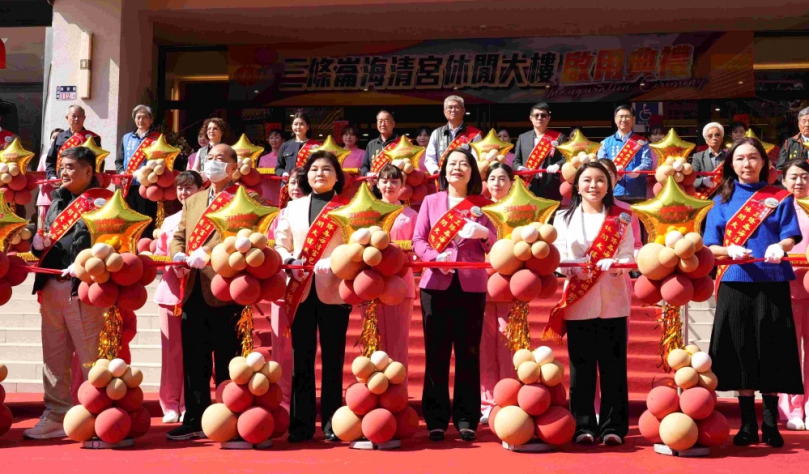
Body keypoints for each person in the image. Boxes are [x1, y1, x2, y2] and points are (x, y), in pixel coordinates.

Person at [704, 137, 803, 448]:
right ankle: (747, 423)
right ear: (731, 164)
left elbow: (790, 235)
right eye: (740, 158)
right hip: (735, 281)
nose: (746, 164)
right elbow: (710, 245)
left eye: (752, 158)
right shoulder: (720, 199)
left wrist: (780, 246)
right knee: (740, 350)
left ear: (763, 162)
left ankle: (771, 424)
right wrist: (728, 250)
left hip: (772, 280)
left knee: (773, 351)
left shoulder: (779, 196)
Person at [545, 161, 634, 446]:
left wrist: (617, 264)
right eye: (587, 180)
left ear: (609, 186)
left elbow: (629, 254)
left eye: (600, 180)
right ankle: (582, 425)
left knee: (613, 368)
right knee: (581, 368)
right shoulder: (562, 217)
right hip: (579, 299)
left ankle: (613, 427)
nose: (593, 185)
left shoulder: (622, 217)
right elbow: (558, 255)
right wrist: (571, 268)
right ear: (577, 186)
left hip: (612, 300)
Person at [413, 146, 496, 442]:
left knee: (468, 353)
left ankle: (466, 418)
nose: (457, 168)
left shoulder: (483, 205)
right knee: (436, 353)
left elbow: (495, 243)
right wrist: (435, 258)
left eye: (463, 164)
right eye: (452, 163)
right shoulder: (431, 201)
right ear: (444, 170)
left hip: (471, 286)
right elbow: (418, 240)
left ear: (472, 172)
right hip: (436, 284)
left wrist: (484, 234)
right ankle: (435, 419)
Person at [25, 146, 108, 439]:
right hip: (51, 286)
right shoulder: (57, 199)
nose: (63, 172)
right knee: (54, 358)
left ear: (89, 171)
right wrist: (37, 244)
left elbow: (112, 243)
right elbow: (48, 238)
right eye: (62, 166)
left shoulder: (103, 202)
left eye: (70, 167)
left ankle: (99, 415)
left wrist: (86, 263)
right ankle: (56, 415)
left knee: (91, 359)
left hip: (82, 289)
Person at [167, 144, 248, 441]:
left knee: (228, 358)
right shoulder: (194, 200)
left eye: (220, 159)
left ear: (233, 167)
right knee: (194, 359)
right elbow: (179, 235)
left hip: (225, 287)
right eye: (209, 158)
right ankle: (195, 419)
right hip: (192, 287)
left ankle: (229, 417)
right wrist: (177, 254)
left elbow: (242, 235)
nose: (212, 163)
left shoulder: (244, 198)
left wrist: (210, 252)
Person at [274, 150, 351, 442]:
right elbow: (281, 244)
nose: (320, 173)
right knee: (301, 359)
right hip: (301, 289)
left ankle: (333, 424)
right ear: (307, 175)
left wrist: (336, 260)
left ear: (337, 176)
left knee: (333, 360)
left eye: (327, 169)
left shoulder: (347, 208)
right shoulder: (292, 208)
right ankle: (301, 425)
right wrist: (289, 261)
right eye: (315, 169)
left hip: (334, 290)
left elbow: (355, 245)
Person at [153, 170, 203, 423]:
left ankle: (189, 403)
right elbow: (161, 254)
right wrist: (174, 265)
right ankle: (170, 403)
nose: (184, 192)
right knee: (171, 352)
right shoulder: (169, 221)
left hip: (198, 290)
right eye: (180, 188)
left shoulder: (206, 218)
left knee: (195, 351)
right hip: (171, 292)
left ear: (200, 190)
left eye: (189, 188)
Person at [260, 166, 308, 411]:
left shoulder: (315, 212)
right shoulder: (278, 215)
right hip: (282, 286)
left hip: (309, 286)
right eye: (292, 183)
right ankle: (283, 399)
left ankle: (300, 401)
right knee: (281, 347)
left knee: (303, 349)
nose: (295, 187)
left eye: (300, 182)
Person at [371, 164, 417, 376]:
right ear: (377, 184)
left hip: (401, 282)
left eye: (394, 181)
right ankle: (374, 387)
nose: (389, 185)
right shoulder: (369, 213)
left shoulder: (411, 215)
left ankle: (399, 389)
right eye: (385, 181)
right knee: (374, 341)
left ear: (402, 185)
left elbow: (418, 247)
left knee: (399, 343)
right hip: (372, 283)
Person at [479, 162, 516, 424]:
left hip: (510, 283)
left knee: (508, 342)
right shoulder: (477, 210)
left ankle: (510, 396)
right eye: (492, 178)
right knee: (485, 343)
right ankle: (487, 401)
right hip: (481, 281)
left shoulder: (519, 210)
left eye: (502, 178)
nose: (497, 183)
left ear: (512, 183)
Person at [778, 159, 809, 430]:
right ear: (783, 180)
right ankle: (791, 408)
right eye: (794, 177)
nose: (800, 182)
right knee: (788, 350)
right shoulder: (777, 208)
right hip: (786, 285)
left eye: (805, 177)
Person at [115, 105, 161, 237]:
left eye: (144, 117)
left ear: (151, 120)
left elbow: (162, 161)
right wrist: (122, 173)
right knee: (130, 218)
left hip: (147, 187)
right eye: (138, 117)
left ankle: (145, 244)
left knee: (146, 218)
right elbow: (119, 160)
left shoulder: (157, 139)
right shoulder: (127, 138)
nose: (141, 120)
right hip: (129, 186)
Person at [597, 105, 653, 202]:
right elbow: (600, 165)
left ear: (633, 119)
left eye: (627, 116)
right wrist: (613, 172)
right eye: (621, 116)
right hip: (612, 192)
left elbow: (648, 162)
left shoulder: (642, 142)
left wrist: (639, 170)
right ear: (615, 119)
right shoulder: (605, 143)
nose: (624, 119)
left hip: (637, 192)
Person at [512, 102, 567, 201]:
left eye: (543, 115)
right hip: (528, 185)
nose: (539, 118)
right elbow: (516, 161)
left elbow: (566, 158)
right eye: (536, 115)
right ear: (531, 118)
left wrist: (557, 165)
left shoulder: (559, 137)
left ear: (548, 118)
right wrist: (521, 169)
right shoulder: (522, 137)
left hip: (551, 186)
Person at [423, 96, 481, 175]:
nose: (453, 110)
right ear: (444, 112)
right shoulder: (436, 133)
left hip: (464, 177)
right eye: (450, 107)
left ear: (463, 111)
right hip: (441, 177)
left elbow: (476, 159)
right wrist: (436, 171)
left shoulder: (474, 134)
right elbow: (430, 158)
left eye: (457, 107)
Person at [45, 105, 100, 180]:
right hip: (62, 180)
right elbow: (50, 160)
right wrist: (52, 176)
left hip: (84, 181)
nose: (77, 119)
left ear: (84, 118)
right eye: (74, 116)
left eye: (79, 116)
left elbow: (98, 162)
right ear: (67, 117)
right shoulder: (60, 137)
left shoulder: (92, 138)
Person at [274, 110, 321, 178]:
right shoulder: (285, 145)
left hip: (308, 182)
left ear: (308, 126)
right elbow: (278, 168)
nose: (298, 127)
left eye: (301, 124)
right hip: (289, 182)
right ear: (292, 126)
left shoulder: (316, 146)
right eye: (295, 124)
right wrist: (283, 173)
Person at [36, 128, 64, 228]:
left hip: (62, 199)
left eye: (58, 138)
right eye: (53, 137)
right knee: (42, 228)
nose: (55, 140)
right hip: (45, 198)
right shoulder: (44, 157)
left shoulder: (68, 158)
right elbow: (38, 177)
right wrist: (49, 181)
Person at [360, 110, 399, 178]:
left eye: (386, 121)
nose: (383, 124)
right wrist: (367, 173)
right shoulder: (371, 144)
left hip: (393, 182)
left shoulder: (400, 143)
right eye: (380, 121)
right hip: (374, 182)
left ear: (393, 124)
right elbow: (364, 166)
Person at [692, 122, 727, 195]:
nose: (714, 138)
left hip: (725, 195)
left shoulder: (729, 156)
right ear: (706, 140)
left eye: (717, 135)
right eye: (710, 136)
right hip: (706, 196)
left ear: (721, 139)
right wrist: (703, 181)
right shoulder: (698, 157)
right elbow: (691, 179)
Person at [256, 129, 285, 206]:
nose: (274, 140)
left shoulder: (286, 158)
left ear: (283, 140)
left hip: (280, 191)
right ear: (268, 141)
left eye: (277, 137)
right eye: (271, 138)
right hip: (266, 192)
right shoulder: (263, 158)